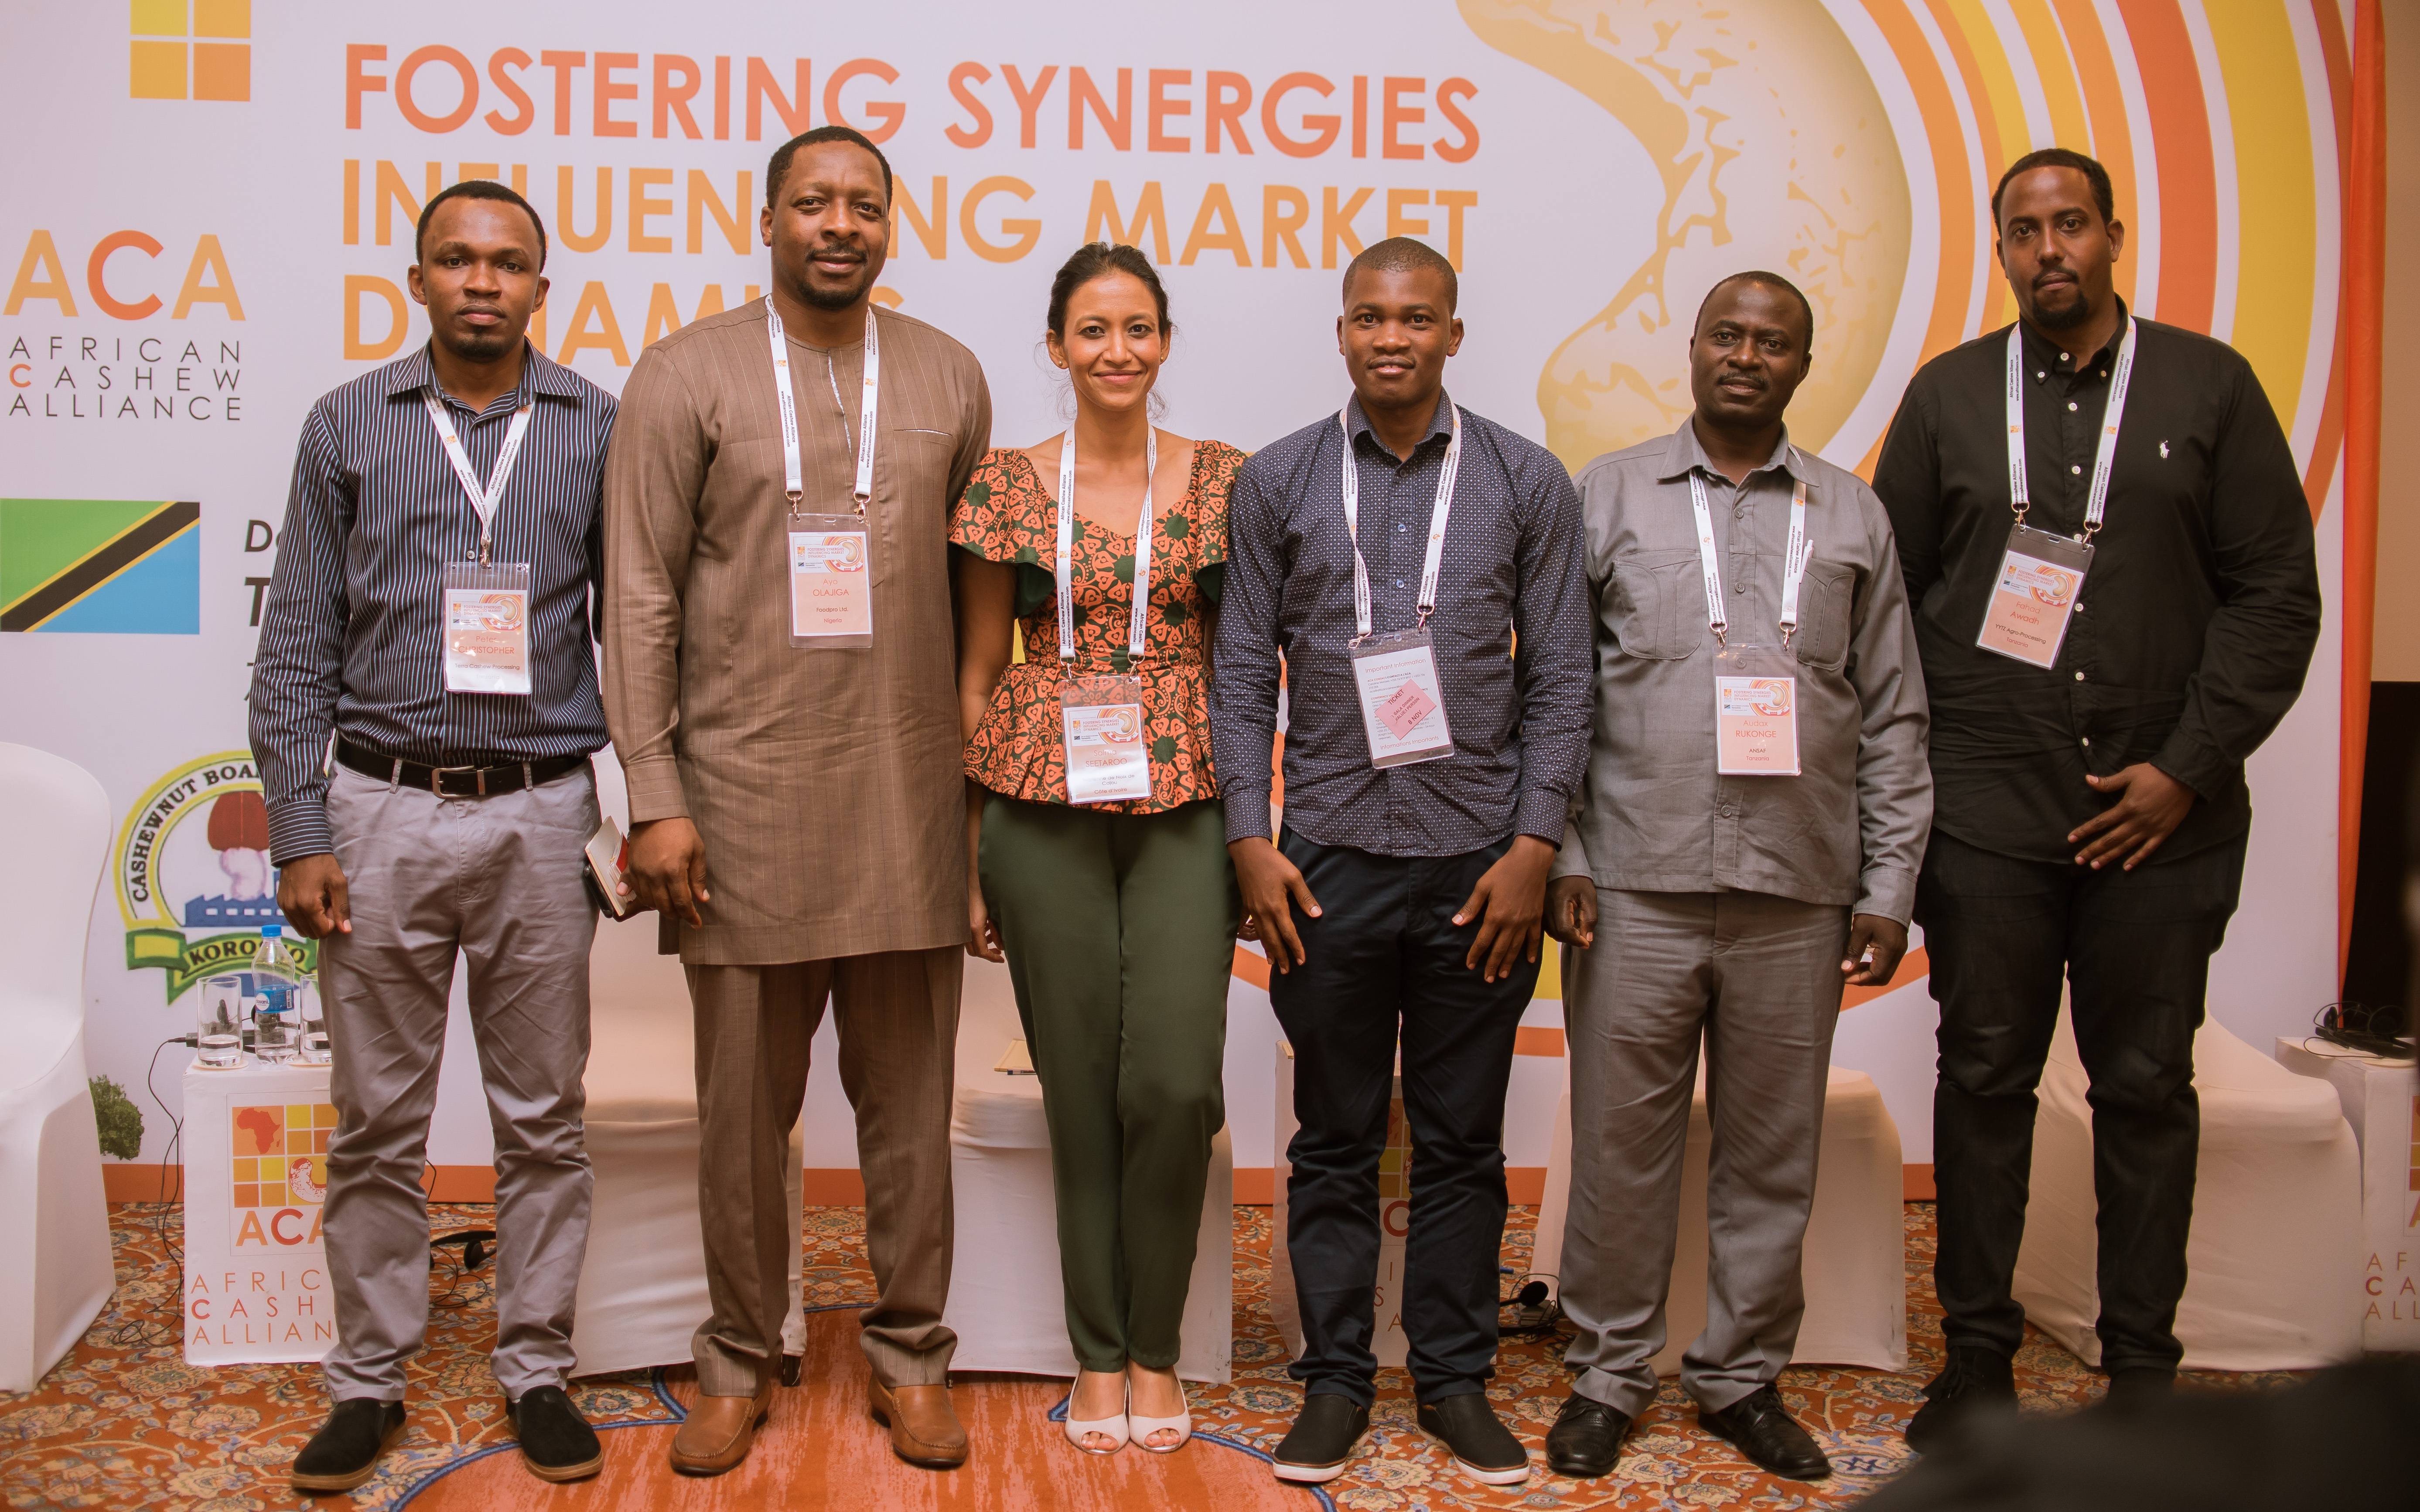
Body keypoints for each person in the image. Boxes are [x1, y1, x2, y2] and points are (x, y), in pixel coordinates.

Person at [1871, 147, 2321, 1449]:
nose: (2049, 249)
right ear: (2001, 251)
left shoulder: (2209, 386)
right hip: (1989, 812)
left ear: (2114, 236)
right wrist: (1921, 789)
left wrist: (2186, 767)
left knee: (2143, 1085)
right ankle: (1977, 1359)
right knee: (1984, 1077)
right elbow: (1888, 599)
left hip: (2163, 821)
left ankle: (2141, 1378)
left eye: (2072, 224)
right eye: (2025, 231)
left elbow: (2276, 594)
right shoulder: (1951, 396)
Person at [601, 125, 991, 1475]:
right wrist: (655, 791)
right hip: (738, 810)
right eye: (814, 202)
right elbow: (638, 594)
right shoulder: (685, 373)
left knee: (910, 1121)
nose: (840, 223)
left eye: (864, 204)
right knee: (739, 1125)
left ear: (890, 224)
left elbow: (980, 596)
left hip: (907, 807)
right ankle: (732, 1357)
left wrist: (980, 807)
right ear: (765, 221)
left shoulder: (948, 373)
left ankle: (912, 1355)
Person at [1539, 271, 1932, 1484]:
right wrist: (1563, 850)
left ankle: (1741, 1377)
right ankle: (1608, 1372)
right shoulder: (1608, 496)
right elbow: (1552, 693)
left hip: (1798, 890)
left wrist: (1889, 885)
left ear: (1803, 365)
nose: (1747, 356)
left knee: (1772, 1154)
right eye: (1728, 334)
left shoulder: (1853, 514)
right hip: (1633, 882)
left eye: (1773, 342)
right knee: (1621, 1149)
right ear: (1694, 349)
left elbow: (1894, 713)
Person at [1211, 236, 1592, 1487]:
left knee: (1462, 1138)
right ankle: (1333, 1380)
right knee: (1332, 1135)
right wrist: (1250, 838)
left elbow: (1564, 680)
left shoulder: (1528, 479)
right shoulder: (1278, 479)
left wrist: (1535, 844)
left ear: (1453, 335)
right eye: (1370, 317)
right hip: (1325, 860)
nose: (1392, 337)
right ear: (1341, 331)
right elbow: (1239, 675)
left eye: (1417, 318)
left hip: (1482, 870)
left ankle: (1452, 1379)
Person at [253, 179, 614, 1491]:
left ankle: (537, 1367)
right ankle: (368, 1381)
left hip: (541, 810)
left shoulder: (597, 425)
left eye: (507, 264)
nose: (481, 281)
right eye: (456, 260)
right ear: (416, 281)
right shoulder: (347, 421)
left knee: (545, 1118)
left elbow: (639, 628)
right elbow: (298, 641)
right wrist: (301, 828)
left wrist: (659, 800)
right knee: (376, 1124)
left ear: (542, 288)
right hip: (381, 806)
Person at [952, 242, 1244, 1457]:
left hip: (1187, 803)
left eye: (1137, 328)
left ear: (1164, 341)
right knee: (1078, 1089)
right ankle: (1101, 1351)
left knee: (1169, 1085)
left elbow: (1246, 671)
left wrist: (1260, 830)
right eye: (1091, 330)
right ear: (1058, 346)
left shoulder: (1225, 481)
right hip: (1039, 806)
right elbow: (978, 673)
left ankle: (1158, 1343)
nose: (1116, 350)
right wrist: (973, 850)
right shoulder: (1007, 485)